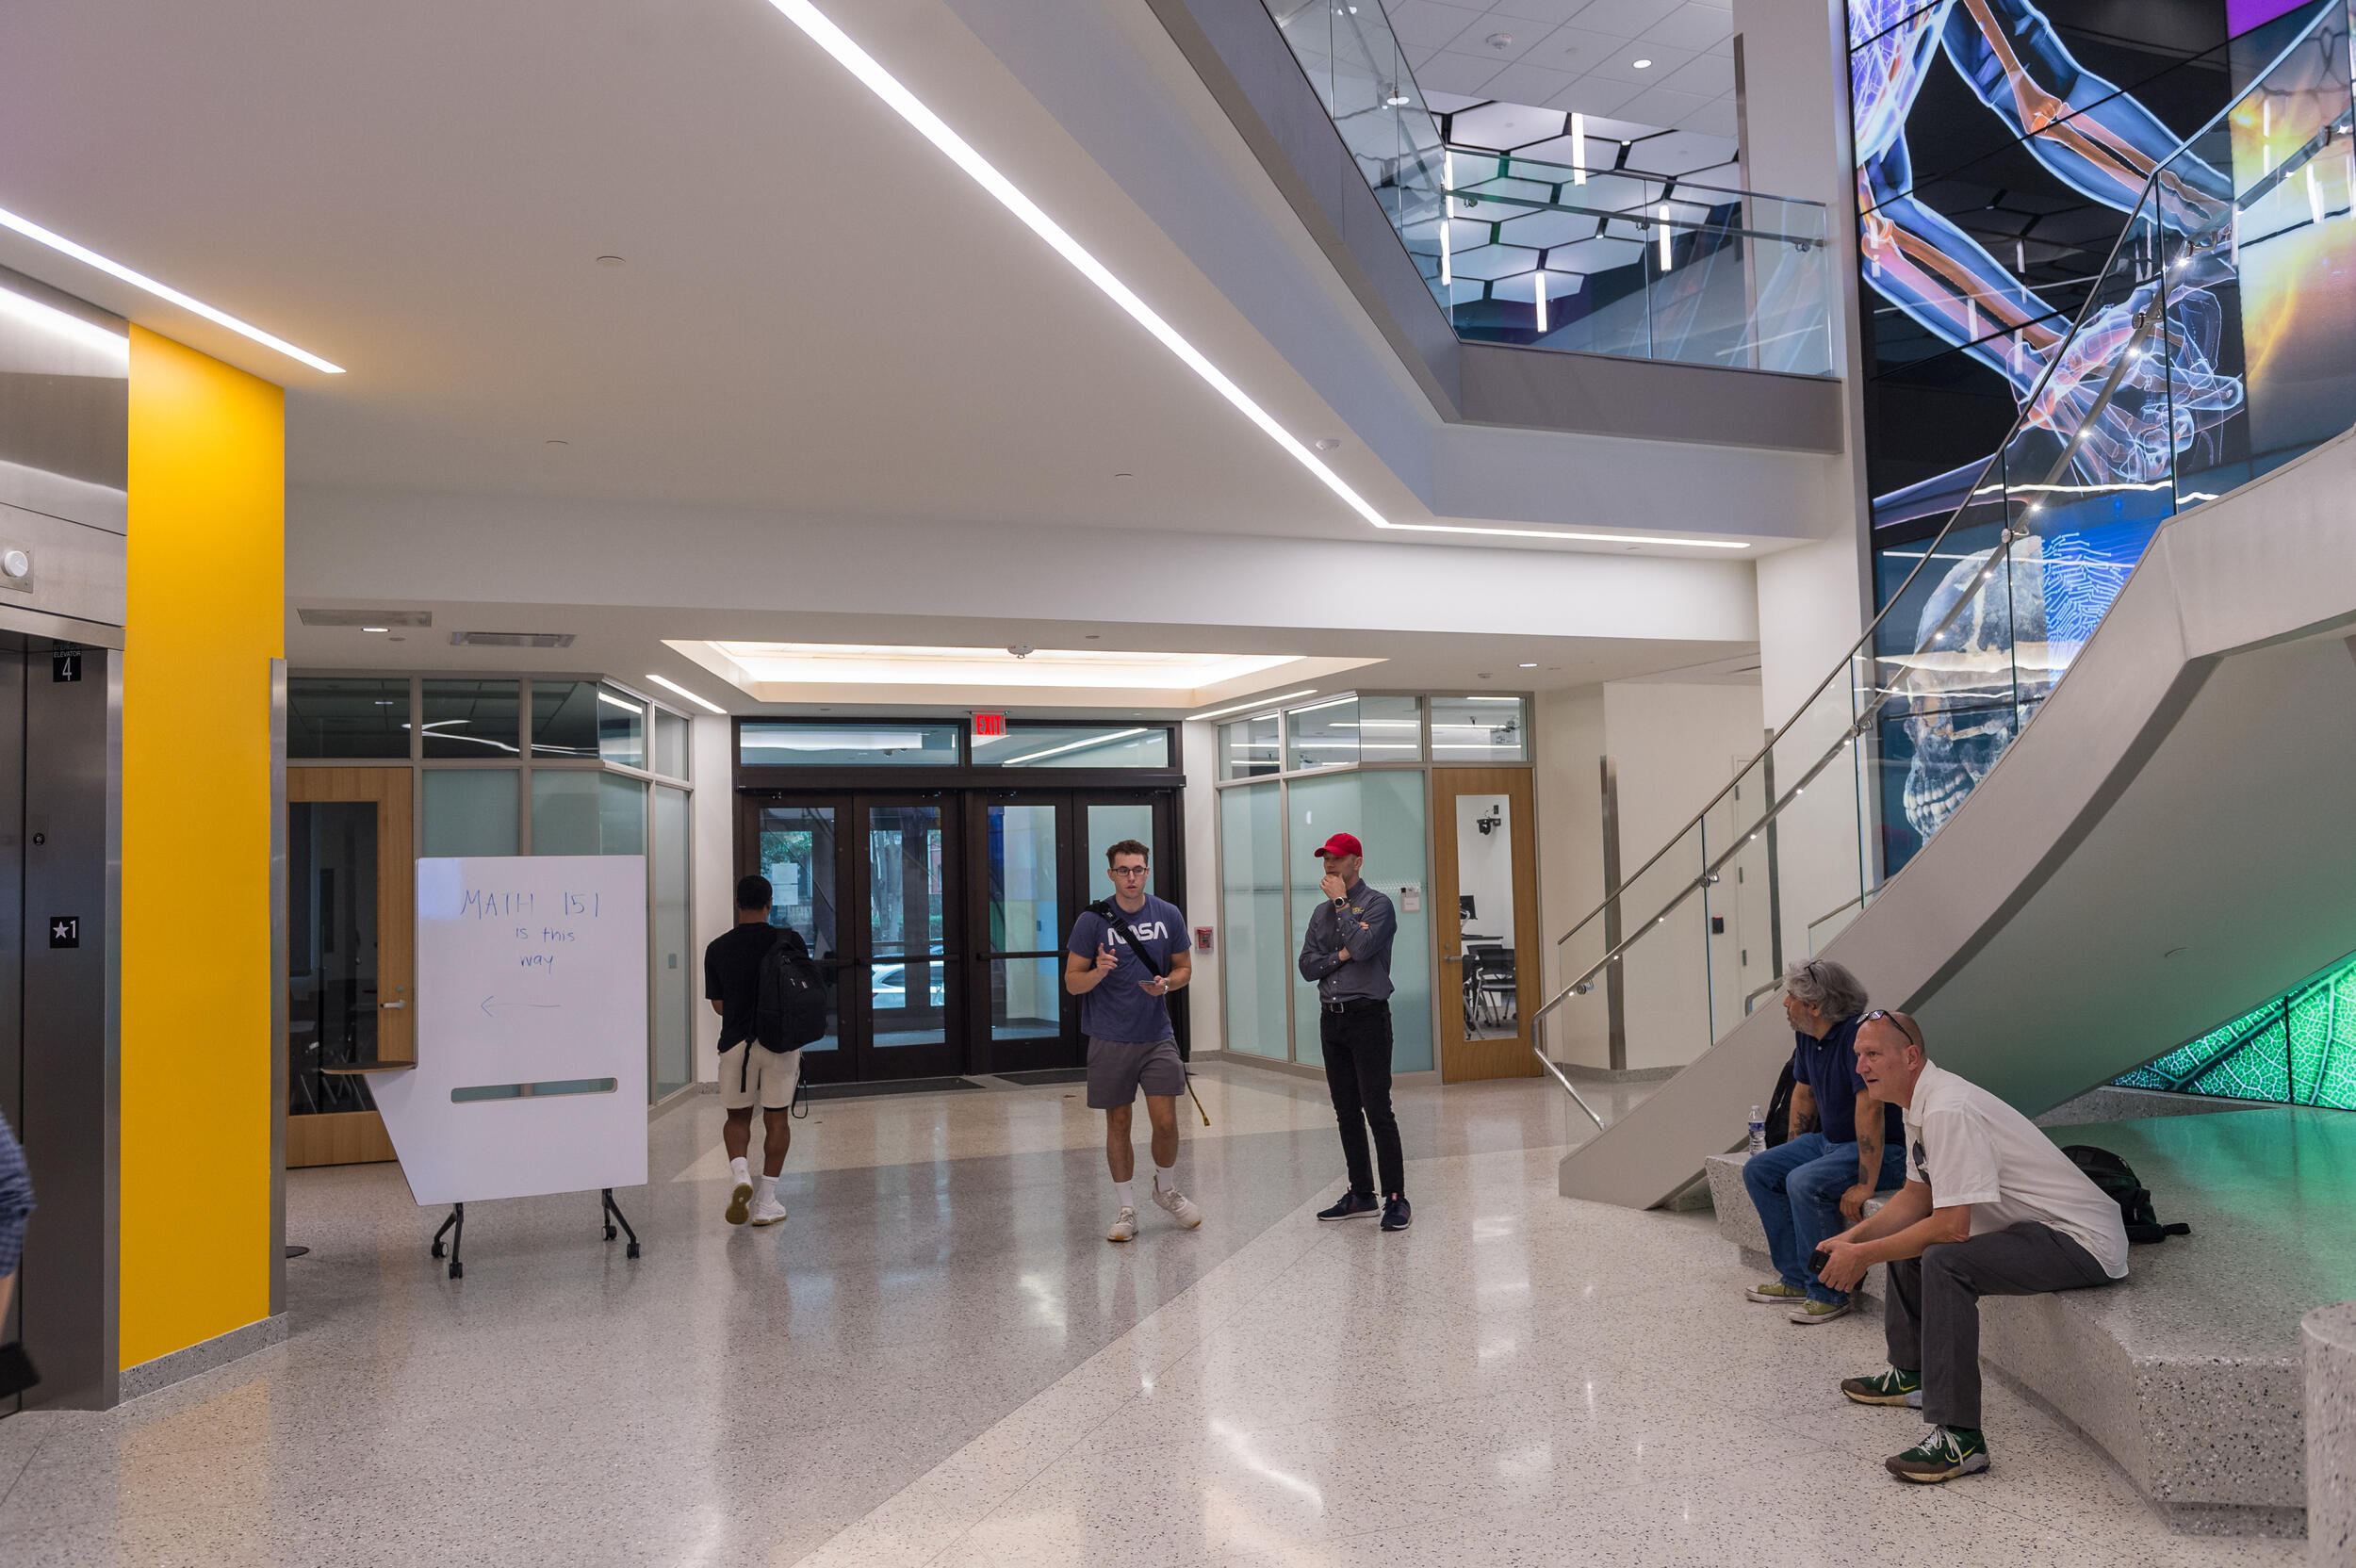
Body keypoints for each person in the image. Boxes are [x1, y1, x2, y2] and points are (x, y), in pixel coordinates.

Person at [1820, 1009, 2127, 1483]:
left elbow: (1952, 1228)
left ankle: (1961, 1439)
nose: (1860, 1066)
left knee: (1943, 1260)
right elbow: (1916, 1197)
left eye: (1873, 1054)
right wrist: (1850, 1238)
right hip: (2030, 1228)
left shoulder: (1948, 1109)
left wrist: (1863, 1256)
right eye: (1858, 1055)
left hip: (2080, 1239)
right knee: (1906, 1238)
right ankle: (1912, 1375)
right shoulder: (1915, 1103)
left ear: (1911, 1056)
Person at [1741, 958, 1906, 1324]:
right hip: (1829, 1142)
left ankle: (1830, 1291)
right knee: (1760, 1169)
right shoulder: (1807, 1036)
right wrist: (1793, 1151)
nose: (1785, 1004)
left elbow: (1871, 1111)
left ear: (1814, 1006)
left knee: (1804, 1181)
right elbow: (1803, 1096)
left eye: (1791, 996)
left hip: (1882, 1152)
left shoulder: (1857, 1040)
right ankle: (1797, 1279)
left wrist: (1865, 1184)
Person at [1065, 840, 1201, 1243]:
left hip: (1156, 1036)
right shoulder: (1091, 922)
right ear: (1110, 874)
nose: (1131, 877)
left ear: (1147, 871)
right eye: (1123, 870)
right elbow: (1073, 983)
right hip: (1109, 1038)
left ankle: (1166, 1188)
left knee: (1165, 1121)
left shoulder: (1167, 914)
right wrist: (1099, 972)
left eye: (1138, 869)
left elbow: (1184, 969)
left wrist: (1167, 985)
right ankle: (1126, 1209)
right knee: (1118, 1122)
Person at [1297, 832, 1408, 1233]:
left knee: (1377, 1110)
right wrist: (1339, 954)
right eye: (1325, 859)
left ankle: (1395, 1197)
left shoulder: (1379, 905)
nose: (1329, 865)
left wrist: (1343, 905)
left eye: (1338, 859)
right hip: (1332, 1018)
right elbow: (1307, 967)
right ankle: (1362, 1193)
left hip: (1368, 1018)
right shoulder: (1319, 913)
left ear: (1357, 862)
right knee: (1346, 1111)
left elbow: (1362, 949)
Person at [703, 874, 801, 1228]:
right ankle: (767, 1202)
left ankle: (741, 1174)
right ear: (769, 904)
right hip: (780, 1044)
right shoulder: (789, 942)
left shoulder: (717, 948)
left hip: (735, 1045)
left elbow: (718, 1005)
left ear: (738, 904)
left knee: (737, 1118)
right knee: (777, 1119)